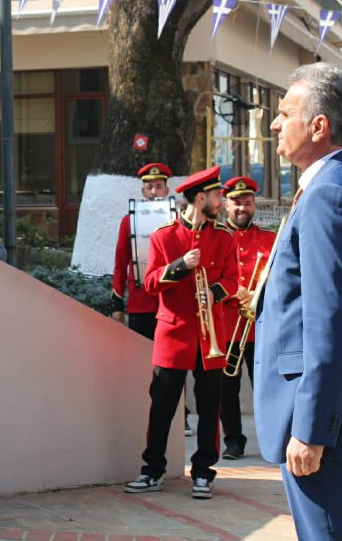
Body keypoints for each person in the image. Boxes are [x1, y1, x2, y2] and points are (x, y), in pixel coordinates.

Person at [253, 63, 342, 540]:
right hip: (338, 419)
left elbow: (331, 321)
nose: (275, 124)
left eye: (284, 113)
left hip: (325, 427)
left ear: (318, 125)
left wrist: (311, 429)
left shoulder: (330, 193)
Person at [124, 165, 238, 500]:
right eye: (216, 196)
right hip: (174, 335)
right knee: (162, 407)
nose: (221, 201)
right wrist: (180, 266)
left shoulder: (224, 237)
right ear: (200, 198)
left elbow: (233, 280)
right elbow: (149, 283)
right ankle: (152, 470)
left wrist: (214, 292)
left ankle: (203, 473)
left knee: (209, 408)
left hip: (209, 336)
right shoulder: (164, 236)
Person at [218, 176, 276, 461]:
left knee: (266, 387)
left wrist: (259, 294)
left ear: (255, 205)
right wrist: (233, 290)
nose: (242, 208)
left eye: (247, 203)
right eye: (237, 203)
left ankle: (272, 440)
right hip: (227, 324)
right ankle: (233, 441)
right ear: (225, 205)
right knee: (227, 388)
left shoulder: (270, 238)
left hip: (260, 325)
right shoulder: (217, 237)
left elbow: (284, 276)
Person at [111, 162, 173, 340]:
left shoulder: (176, 220)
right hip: (140, 301)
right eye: (149, 187)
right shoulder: (128, 221)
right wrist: (117, 305)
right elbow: (120, 264)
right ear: (143, 191)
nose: (154, 191)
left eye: (159, 186)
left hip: (170, 301)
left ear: (166, 191)